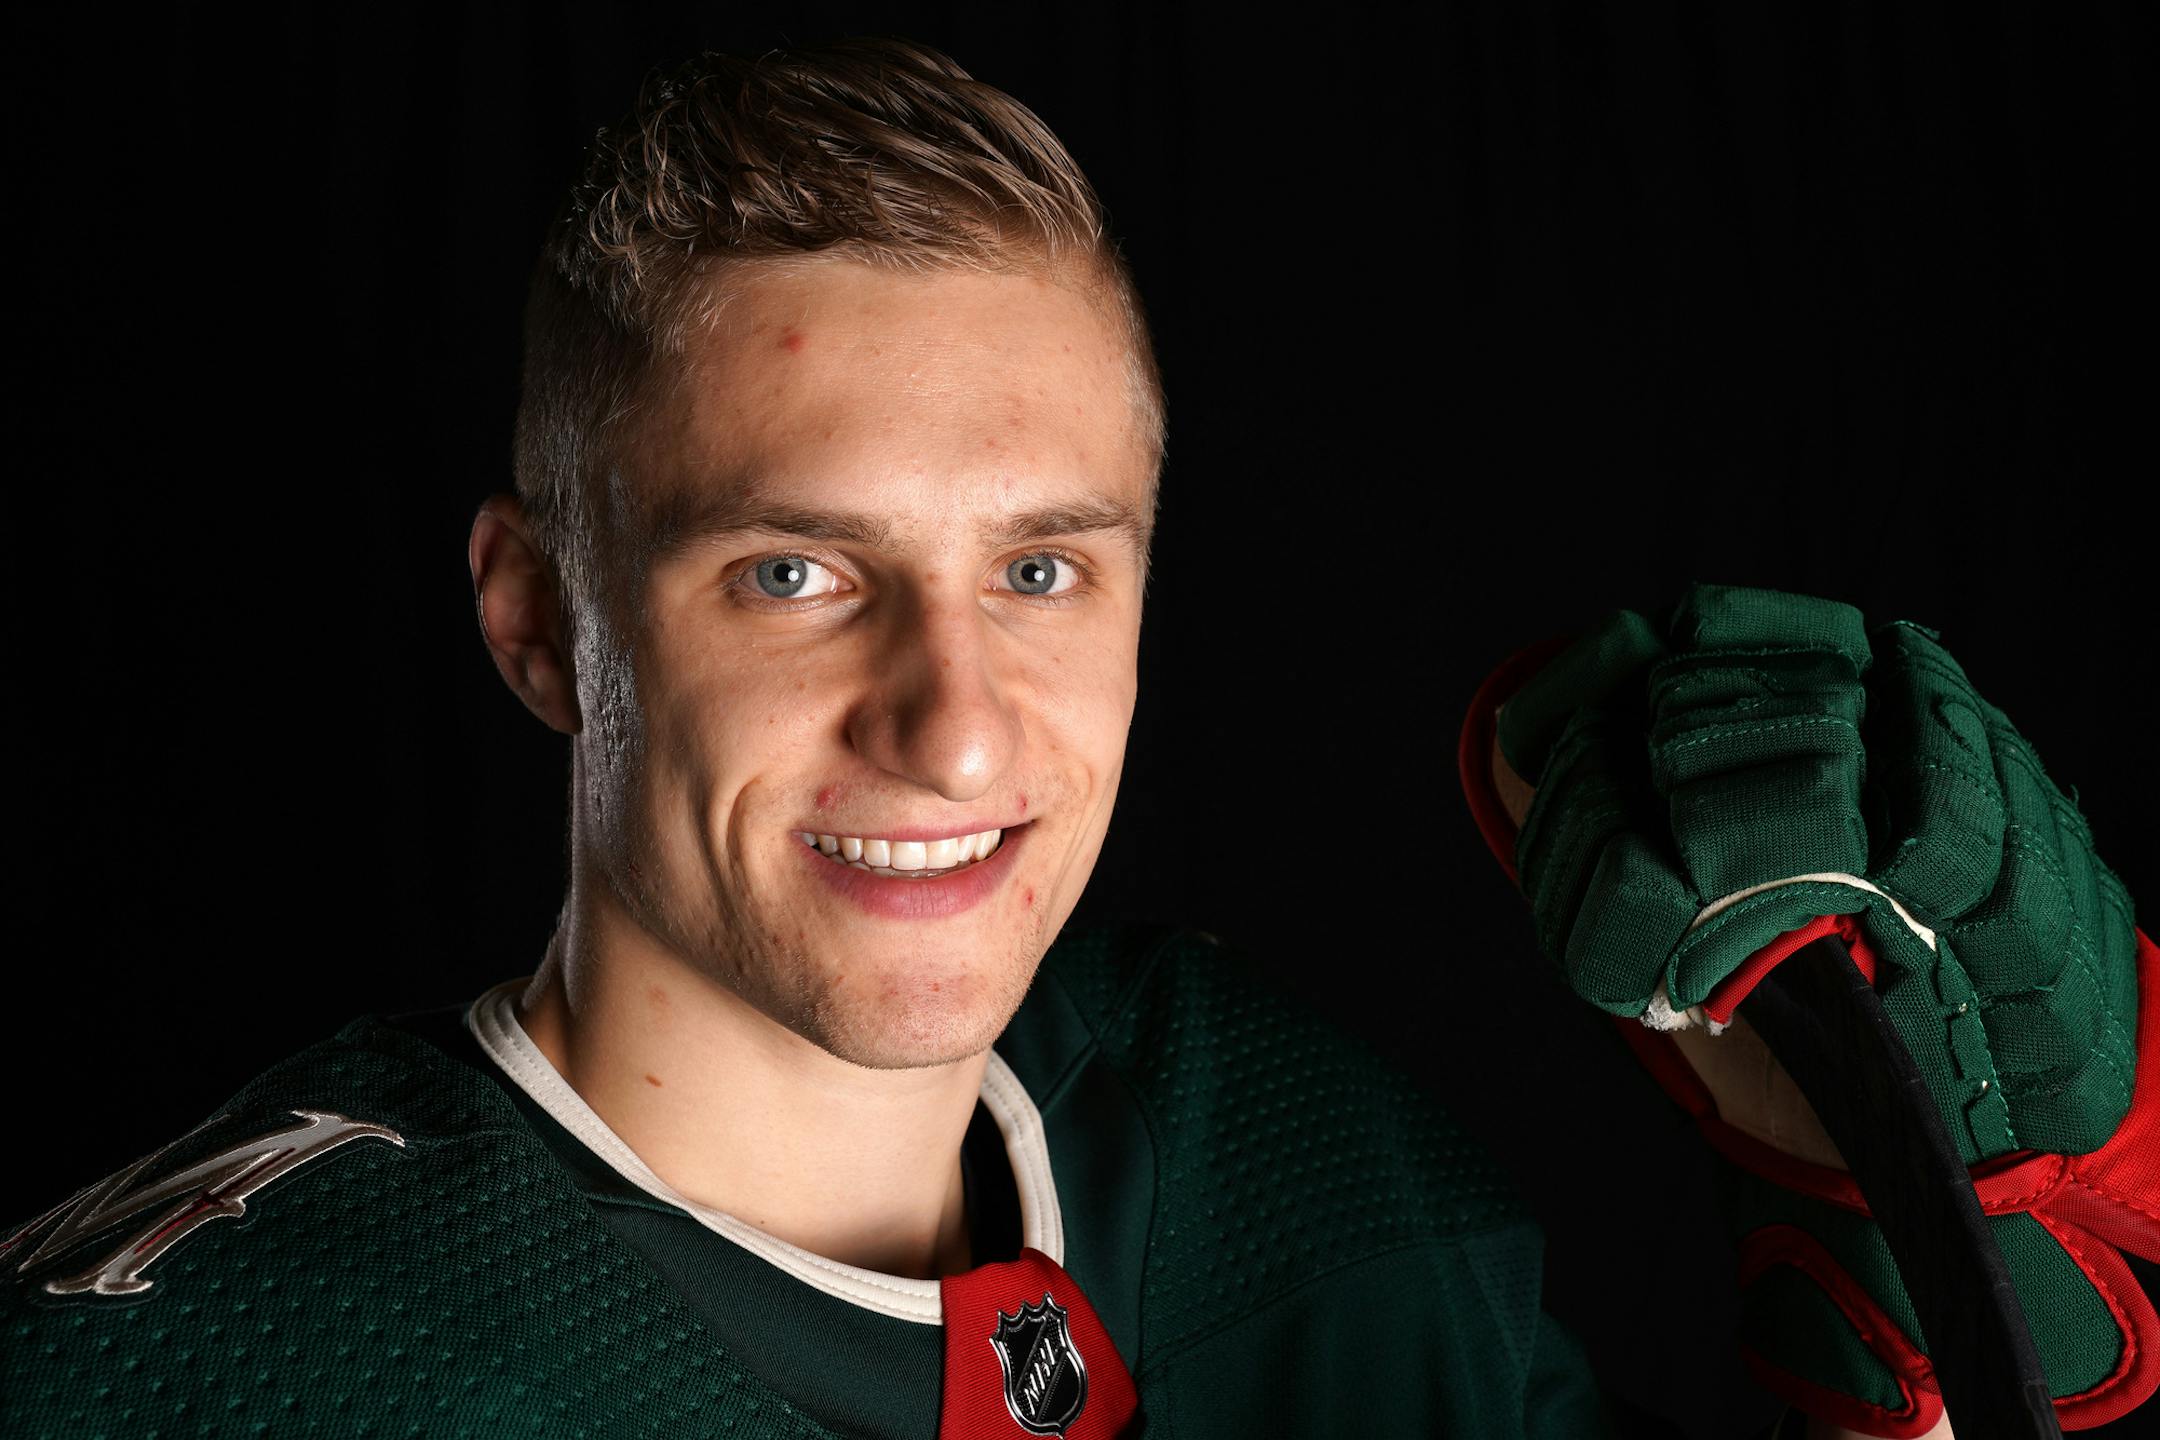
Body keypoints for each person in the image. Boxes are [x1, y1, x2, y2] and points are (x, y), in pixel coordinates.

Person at [1, 37, 1611, 1438]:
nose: (955, 738)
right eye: (795, 575)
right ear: (539, 620)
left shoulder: (1275, 1142)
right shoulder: (229, 1364)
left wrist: (1776, 1144)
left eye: (1038, 571)